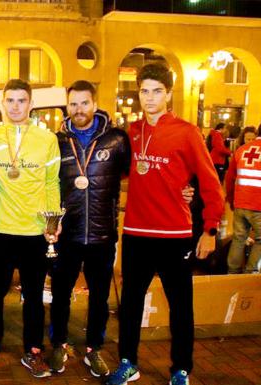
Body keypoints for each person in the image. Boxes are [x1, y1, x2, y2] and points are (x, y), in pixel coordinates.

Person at [106, 63, 224, 385]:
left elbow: (211, 183)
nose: (149, 97)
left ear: (168, 94)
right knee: (129, 305)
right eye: (144, 91)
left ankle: (180, 369)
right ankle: (129, 363)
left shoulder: (186, 132)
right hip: (136, 233)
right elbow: (122, 170)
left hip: (174, 235)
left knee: (181, 308)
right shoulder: (132, 132)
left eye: (157, 91)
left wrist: (210, 228)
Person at [0, 79, 61, 379]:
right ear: (3, 103)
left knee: (34, 296)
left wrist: (53, 222)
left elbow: (52, 182)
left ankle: (33, 351)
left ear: (30, 104)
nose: (15, 106)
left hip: (35, 232)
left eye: (21, 100)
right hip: (0, 230)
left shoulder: (46, 139)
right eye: (10, 100)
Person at [49, 80, 130, 377]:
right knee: (60, 293)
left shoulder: (117, 140)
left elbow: (139, 174)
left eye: (84, 103)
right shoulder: (57, 141)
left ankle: (93, 348)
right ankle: (59, 343)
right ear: (67, 107)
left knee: (99, 296)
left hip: (102, 234)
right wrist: (50, 226)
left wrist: (184, 190)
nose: (78, 109)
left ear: (94, 104)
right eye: (73, 104)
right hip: (66, 234)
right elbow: (48, 186)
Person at [225, 130, 261, 273]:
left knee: (238, 239)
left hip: (240, 203)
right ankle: (249, 274)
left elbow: (229, 178)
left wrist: (231, 199)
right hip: (258, 205)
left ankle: (232, 274)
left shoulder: (242, 149)